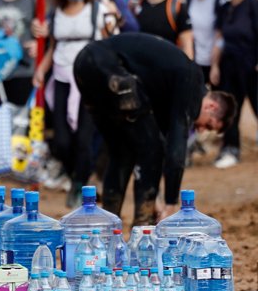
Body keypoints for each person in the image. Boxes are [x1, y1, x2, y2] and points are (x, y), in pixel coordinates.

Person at [75, 34, 235, 224]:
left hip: (84, 65)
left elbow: (149, 152)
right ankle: (144, 229)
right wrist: (170, 202)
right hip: (109, 69)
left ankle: (109, 230)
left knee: (122, 152)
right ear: (212, 107)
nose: (200, 130)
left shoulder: (166, 94)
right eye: (208, 125)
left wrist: (156, 197)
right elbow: (175, 149)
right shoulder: (192, 80)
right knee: (152, 149)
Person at [33, 0, 106, 206]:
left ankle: (79, 185)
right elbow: (53, 47)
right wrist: (41, 70)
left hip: (90, 79)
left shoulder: (98, 10)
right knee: (62, 139)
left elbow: (109, 41)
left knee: (85, 138)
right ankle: (75, 172)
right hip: (62, 77)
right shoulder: (57, 13)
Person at [209, 0, 258, 170]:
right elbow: (219, 38)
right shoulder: (225, 8)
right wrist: (215, 65)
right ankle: (230, 148)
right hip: (229, 64)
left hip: (251, 64)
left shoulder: (252, 4)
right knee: (231, 109)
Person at [183, 0, 219, 84]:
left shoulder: (217, 1)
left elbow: (220, 35)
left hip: (213, 61)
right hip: (195, 59)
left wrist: (215, 64)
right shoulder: (190, 0)